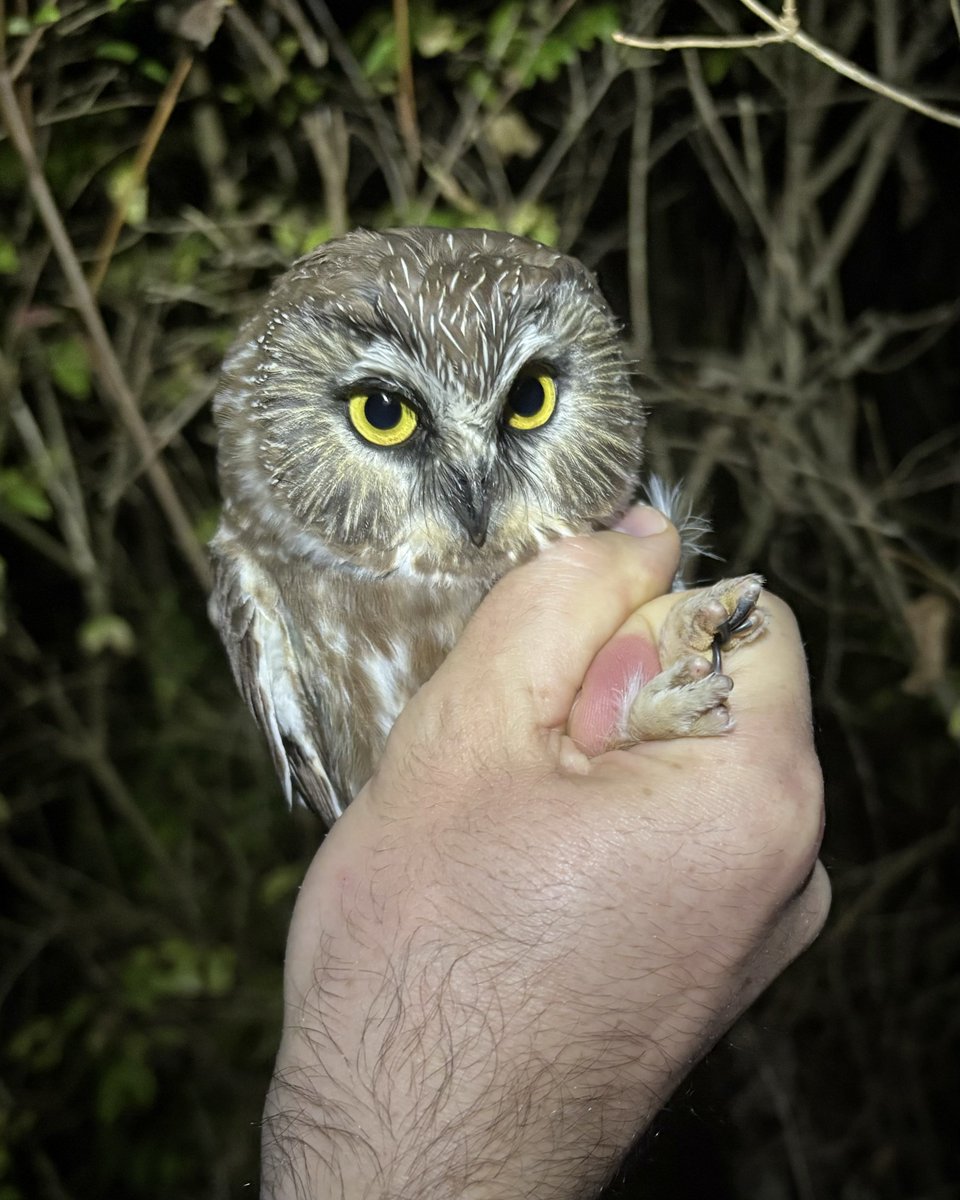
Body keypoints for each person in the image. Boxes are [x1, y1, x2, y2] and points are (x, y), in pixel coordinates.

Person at [260, 506, 830, 1199]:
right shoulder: (276, 574)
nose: (469, 477)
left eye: (528, 396)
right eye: (380, 415)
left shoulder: (586, 510)